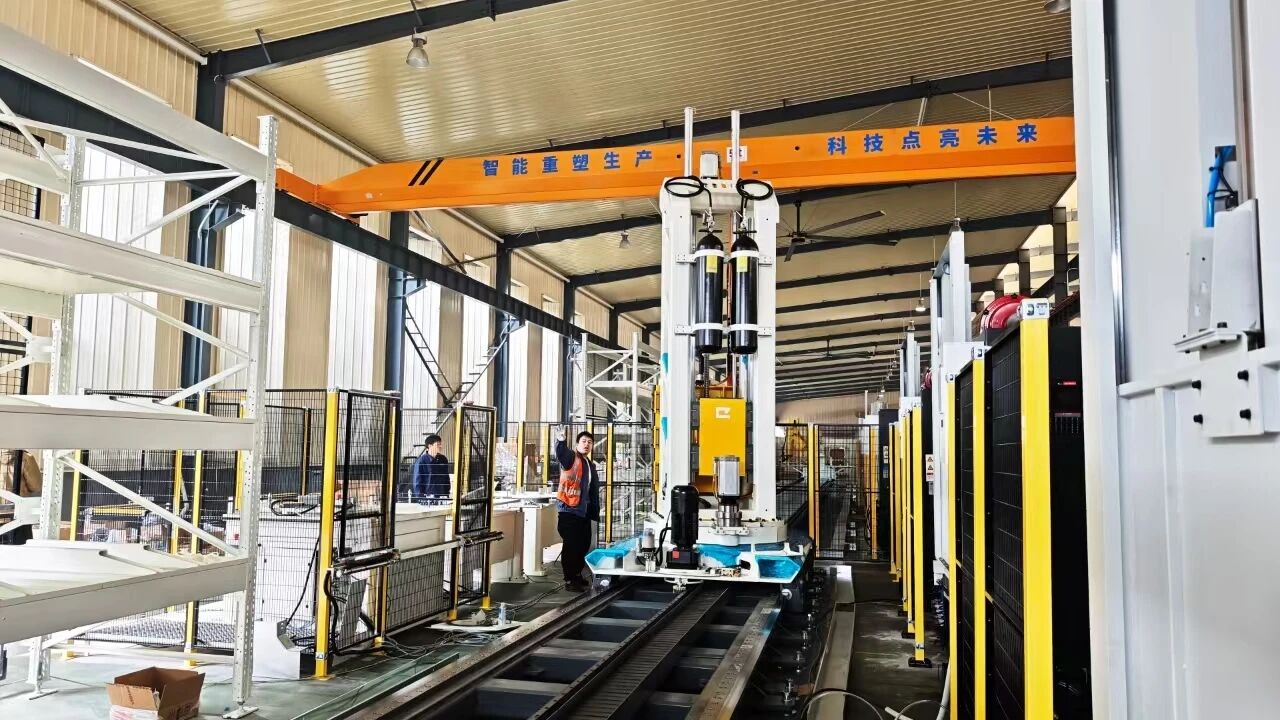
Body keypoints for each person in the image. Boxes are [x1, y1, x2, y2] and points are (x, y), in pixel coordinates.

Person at [554, 429, 600, 592]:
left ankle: (577, 575)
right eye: (584, 441)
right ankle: (570, 580)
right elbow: (561, 453)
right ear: (577, 444)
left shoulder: (589, 464)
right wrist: (561, 441)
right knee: (571, 546)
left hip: (583, 512)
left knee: (583, 544)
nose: (587, 444)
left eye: (590, 442)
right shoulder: (571, 458)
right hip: (569, 510)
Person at [410, 434, 451, 502]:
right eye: (438, 444)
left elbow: (446, 478)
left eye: (440, 444)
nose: (441, 446)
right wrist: (421, 498)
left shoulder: (443, 459)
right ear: (430, 446)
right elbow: (417, 481)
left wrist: (447, 494)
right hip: (428, 498)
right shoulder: (421, 461)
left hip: (442, 497)